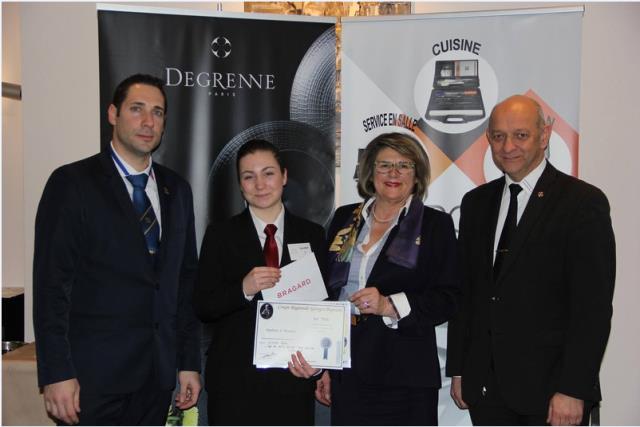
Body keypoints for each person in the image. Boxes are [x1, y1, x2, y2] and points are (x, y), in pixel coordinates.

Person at [33, 74, 201, 425]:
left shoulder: (177, 190)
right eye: (137, 109)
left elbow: (184, 286)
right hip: (91, 381)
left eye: (157, 112)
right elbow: (51, 288)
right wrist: (56, 371)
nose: (147, 122)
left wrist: (188, 363)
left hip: (156, 379)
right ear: (113, 114)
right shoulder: (72, 184)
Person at [446, 95, 616, 426]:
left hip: (554, 395)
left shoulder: (583, 203)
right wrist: (459, 368)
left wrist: (573, 389)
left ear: (544, 135)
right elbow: (467, 295)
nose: (508, 146)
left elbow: (592, 308)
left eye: (520, 135)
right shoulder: (476, 203)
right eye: (498, 136)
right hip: (486, 391)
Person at [290, 132, 460, 425]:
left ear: (417, 174)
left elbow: (449, 298)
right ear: (370, 171)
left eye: (404, 165)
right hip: (348, 372)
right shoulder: (345, 218)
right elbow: (325, 296)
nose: (393, 173)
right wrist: (324, 364)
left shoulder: (435, 224)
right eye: (384, 165)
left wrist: (389, 306)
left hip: (406, 377)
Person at [193, 139, 326, 425]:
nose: (260, 184)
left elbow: (322, 308)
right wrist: (243, 289)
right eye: (248, 177)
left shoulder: (313, 235)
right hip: (234, 383)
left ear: (284, 176)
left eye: (268, 173)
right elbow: (203, 306)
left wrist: (319, 367)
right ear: (240, 185)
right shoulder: (220, 235)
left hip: (293, 379)